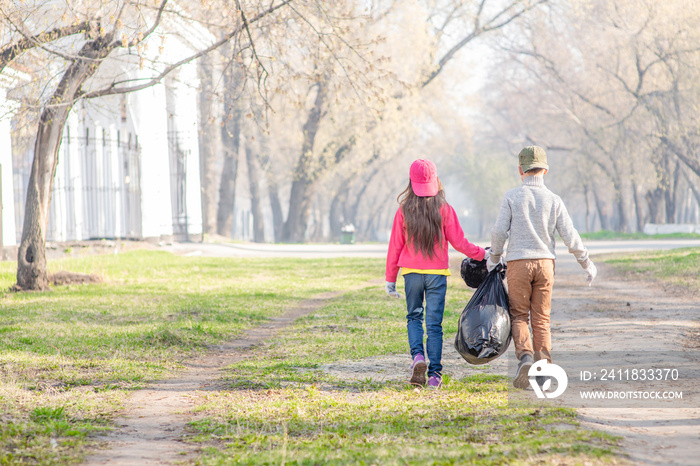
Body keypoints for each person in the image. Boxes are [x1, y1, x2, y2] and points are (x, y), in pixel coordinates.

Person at [487, 146, 597, 389]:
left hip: (518, 264)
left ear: (520, 170)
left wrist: (494, 258)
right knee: (541, 318)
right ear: (545, 170)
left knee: (518, 315)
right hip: (546, 265)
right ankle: (544, 369)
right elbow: (570, 235)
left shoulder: (511, 197)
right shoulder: (554, 200)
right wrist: (586, 263)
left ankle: (525, 357)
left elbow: (498, 232)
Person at [385, 159, 487, 389]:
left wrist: (390, 279)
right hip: (436, 275)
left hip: (411, 275)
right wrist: (483, 254)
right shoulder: (444, 208)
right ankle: (434, 376)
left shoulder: (403, 211)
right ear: (434, 181)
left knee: (414, 317)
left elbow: (395, 248)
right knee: (434, 325)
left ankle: (418, 358)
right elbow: (460, 242)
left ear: (411, 182)